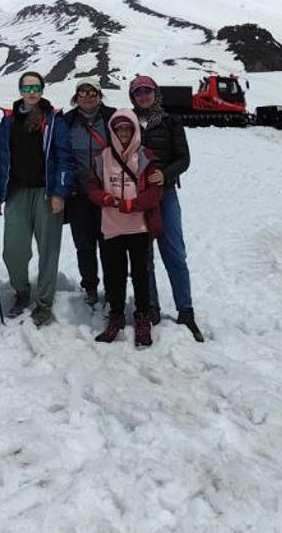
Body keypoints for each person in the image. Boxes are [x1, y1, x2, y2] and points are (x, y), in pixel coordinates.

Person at [0, 72, 74, 327]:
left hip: (46, 193)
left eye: (36, 87)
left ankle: (44, 301)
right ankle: (21, 291)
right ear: (20, 90)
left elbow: (64, 157)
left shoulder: (54, 119)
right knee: (13, 250)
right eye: (27, 87)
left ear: (43, 89)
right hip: (17, 191)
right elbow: (2, 159)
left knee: (48, 249)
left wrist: (60, 192)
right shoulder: (9, 120)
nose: (32, 92)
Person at [129, 74, 204, 342]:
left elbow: (184, 158)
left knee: (173, 251)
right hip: (138, 195)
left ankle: (185, 309)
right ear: (132, 97)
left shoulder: (171, 121)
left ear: (155, 92)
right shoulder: (128, 121)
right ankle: (151, 307)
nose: (144, 96)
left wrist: (166, 174)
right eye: (138, 92)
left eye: (147, 90)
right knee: (143, 252)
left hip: (166, 193)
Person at [88, 110, 164, 347]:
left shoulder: (145, 157)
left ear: (134, 131)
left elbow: (155, 193)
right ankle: (117, 314)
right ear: (112, 132)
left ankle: (142, 315)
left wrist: (134, 204)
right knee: (114, 273)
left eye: (127, 129)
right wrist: (106, 199)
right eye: (119, 129)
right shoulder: (102, 158)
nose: (123, 133)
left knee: (140, 273)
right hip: (112, 227)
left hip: (139, 227)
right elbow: (92, 188)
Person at [62, 81, 115, 307]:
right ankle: (90, 286)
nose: (87, 97)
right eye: (82, 93)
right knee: (83, 244)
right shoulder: (67, 121)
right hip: (79, 193)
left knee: (109, 243)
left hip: (106, 193)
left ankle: (113, 287)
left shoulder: (112, 118)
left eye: (92, 93)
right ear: (76, 96)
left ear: (99, 96)